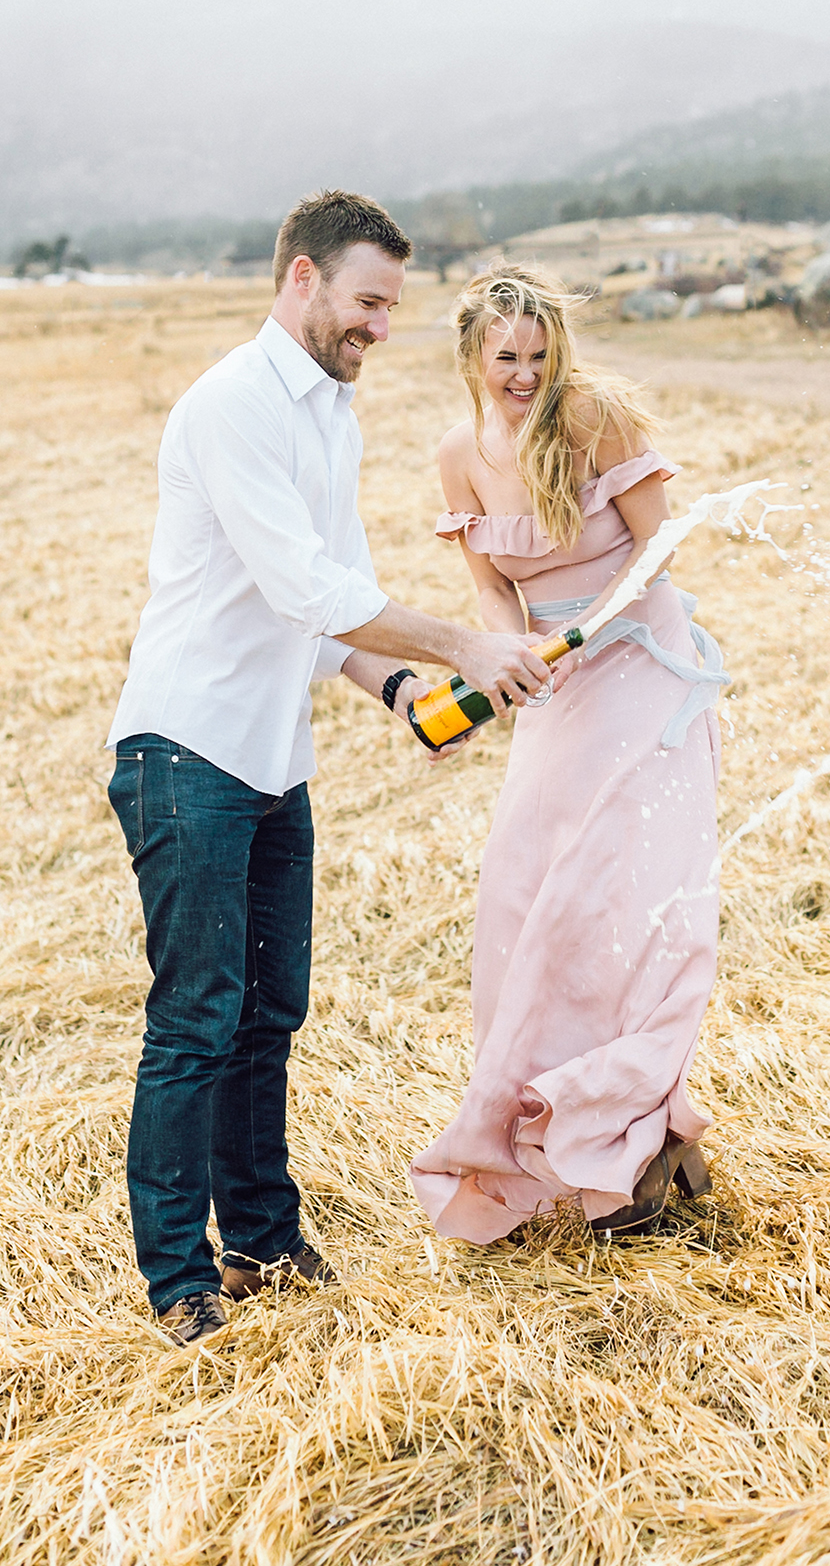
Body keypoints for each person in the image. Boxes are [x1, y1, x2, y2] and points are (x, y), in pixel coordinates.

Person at [106, 192, 550, 1348]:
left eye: (393, 308)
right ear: (301, 281)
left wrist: (405, 689)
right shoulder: (232, 407)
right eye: (367, 302)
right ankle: (177, 1283)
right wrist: (462, 643)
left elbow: (327, 600)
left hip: (269, 759)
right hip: (184, 750)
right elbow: (309, 590)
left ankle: (260, 1239)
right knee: (198, 1019)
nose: (382, 328)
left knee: (270, 1014)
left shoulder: (333, 415)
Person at [410, 266, 725, 1243]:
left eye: (540, 356)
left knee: (618, 906)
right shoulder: (459, 454)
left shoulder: (596, 418)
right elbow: (492, 590)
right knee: (520, 896)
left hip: (638, 665)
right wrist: (510, 655)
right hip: (550, 686)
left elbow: (660, 550)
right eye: (506, 357)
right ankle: (574, 1129)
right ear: (473, 355)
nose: (524, 375)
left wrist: (587, 629)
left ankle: (625, 1154)